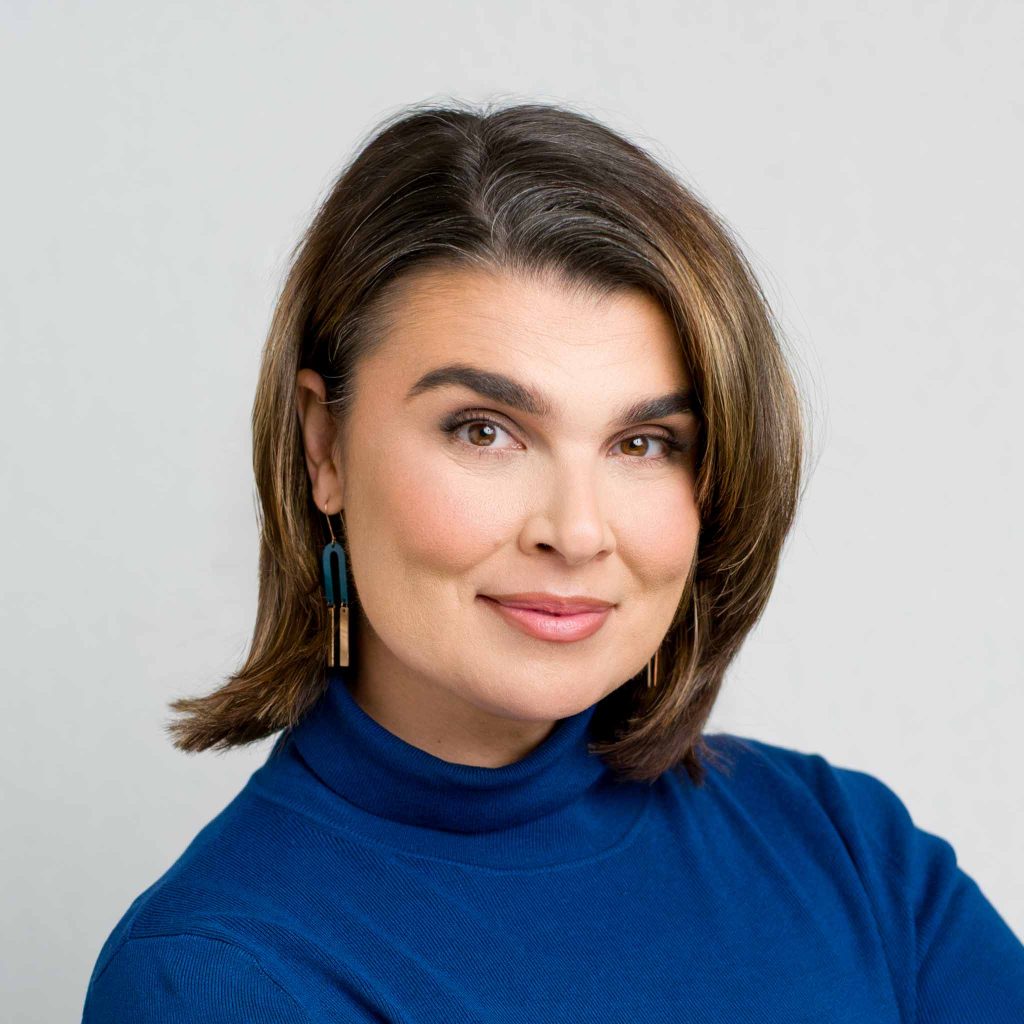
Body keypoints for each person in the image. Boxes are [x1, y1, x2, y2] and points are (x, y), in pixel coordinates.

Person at [81, 99, 1024, 1022]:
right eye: (484, 431)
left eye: (645, 442)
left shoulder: (847, 849)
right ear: (324, 446)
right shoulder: (217, 981)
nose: (575, 532)